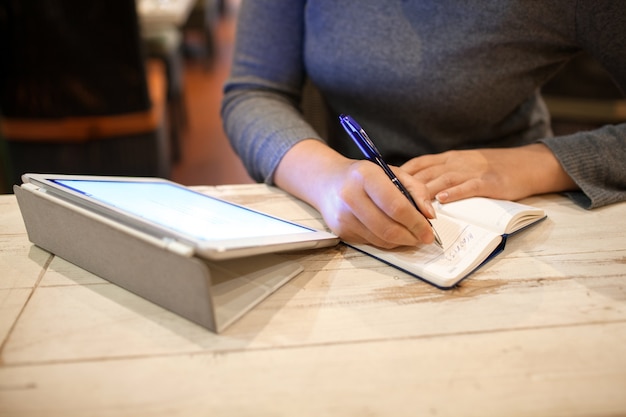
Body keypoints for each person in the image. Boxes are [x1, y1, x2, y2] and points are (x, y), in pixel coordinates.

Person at [221, 0, 626, 249]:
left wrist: (535, 164)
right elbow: (255, 91)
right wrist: (325, 177)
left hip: (514, 217)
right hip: (340, 208)